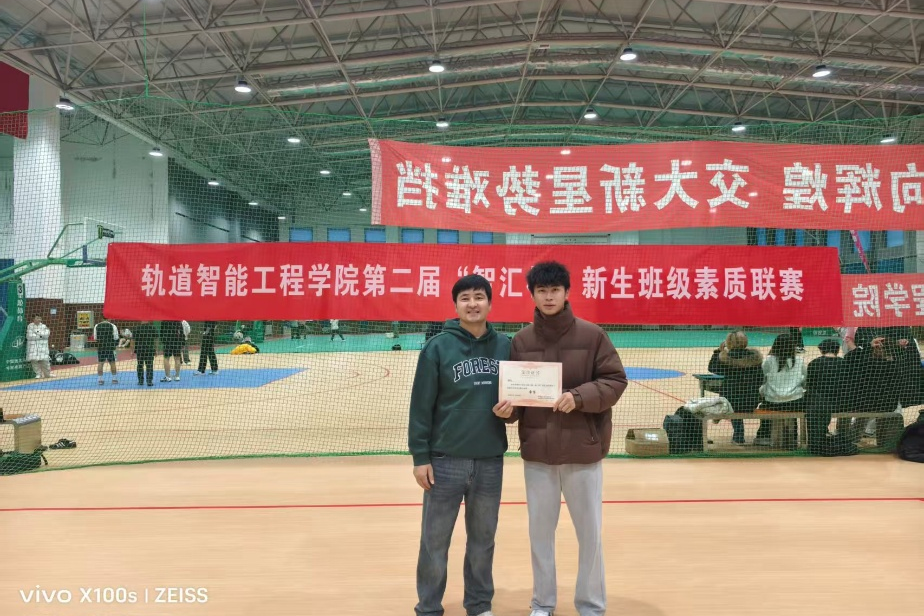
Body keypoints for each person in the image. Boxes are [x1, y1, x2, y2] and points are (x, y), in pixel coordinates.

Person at [500, 261, 627, 616]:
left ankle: (591, 605)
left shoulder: (593, 335)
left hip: (582, 451)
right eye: (542, 291)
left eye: (555, 290)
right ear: (532, 295)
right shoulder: (521, 341)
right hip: (538, 455)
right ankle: (543, 603)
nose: (549, 297)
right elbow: (517, 400)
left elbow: (615, 380)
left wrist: (579, 396)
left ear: (567, 292)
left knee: (590, 534)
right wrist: (507, 410)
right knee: (540, 535)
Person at [408, 274, 512, 616]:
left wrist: (513, 412)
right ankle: (428, 607)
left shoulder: (506, 346)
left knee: (483, 541)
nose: (472, 303)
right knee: (434, 542)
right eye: (465, 298)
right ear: (455, 305)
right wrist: (420, 456)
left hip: (490, 460)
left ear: (490, 303)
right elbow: (420, 406)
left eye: (479, 297)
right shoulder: (437, 348)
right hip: (444, 461)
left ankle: (479, 605)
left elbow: (517, 401)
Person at [707, 331, 764, 444]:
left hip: (731, 402)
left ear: (728, 342)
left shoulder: (726, 358)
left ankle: (738, 435)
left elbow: (712, 368)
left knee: (731, 401)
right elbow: (760, 379)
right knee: (737, 399)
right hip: (751, 402)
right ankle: (739, 435)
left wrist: (718, 351)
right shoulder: (754, 358)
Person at [756, 333, 807, 447]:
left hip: (772, 402)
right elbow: (805, 382)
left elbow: (762, 379)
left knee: (764, 404)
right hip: (795, 403)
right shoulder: (799, 361)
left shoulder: (768, 360)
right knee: (793, 409)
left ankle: (763, 436)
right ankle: (792, 438)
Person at [805, 339, 846, 453]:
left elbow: (809, 385)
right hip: (841, 404)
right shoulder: (844, 363)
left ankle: (820, 435)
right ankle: (843, 435)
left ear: (822, 350)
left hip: (818, 406)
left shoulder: (814, 363)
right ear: (837, 350)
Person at [93, 317, 120, 385]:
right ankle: (114, 379)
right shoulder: (113, 326)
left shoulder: (97, 326)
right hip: (110, 347)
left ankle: (100, 380)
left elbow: (95, 338)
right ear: (108, 318)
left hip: (101, 347)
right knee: (112, 363)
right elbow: (116, 337)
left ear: (101, 318)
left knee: (100, 363)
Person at [133, 321, 158, 387]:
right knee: (149, 365)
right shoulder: (152, 328)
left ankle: (140, 381)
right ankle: (149, 381)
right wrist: (155, 349)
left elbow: (133, 340)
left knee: (140, 365)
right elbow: (156, 340)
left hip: (140, 350)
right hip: (149, 350)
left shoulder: (137, 328)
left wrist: (132, 350)